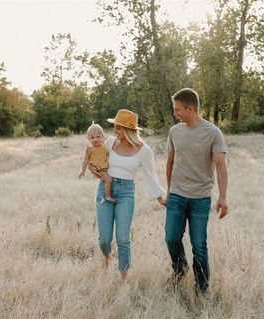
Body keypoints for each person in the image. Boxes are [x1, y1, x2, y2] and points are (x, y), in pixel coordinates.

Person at [88, 109, 166, 281]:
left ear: (128, 130)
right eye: (115, 127)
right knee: (104, 239)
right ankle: (107, 256)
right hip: (104, 189)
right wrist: (93, 170)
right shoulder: (109, 142)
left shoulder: (144, 150)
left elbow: (150, 174)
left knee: (123, 238)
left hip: (126, 193)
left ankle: (124, 276)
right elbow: (95, 157)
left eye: (118, 128)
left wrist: (160, 197)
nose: (114, 131)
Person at [165, 88, 229, 294]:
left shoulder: (212, 132)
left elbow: (220, 165)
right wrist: (169, 190)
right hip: (177, 194)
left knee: (199, 244)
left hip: (200, 198)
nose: (175, 113)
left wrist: (223, 197)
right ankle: (180, 268)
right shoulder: (175, 132)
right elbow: (170, 161)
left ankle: (202, 286)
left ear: (190, 108)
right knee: (171, 238)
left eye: (178, 109)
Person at [79, 122, 114, 202]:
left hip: (105, 167)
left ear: (102, 136)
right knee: (109, 180)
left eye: (98, 137)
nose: (95, 139)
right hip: (98, 169)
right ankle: (107, 196)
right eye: (92, 137)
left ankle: (108, 193)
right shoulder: (90, 148)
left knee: (108, 179)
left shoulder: (104, 145)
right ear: (88, 138)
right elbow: (86, 160)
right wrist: (83, 170)